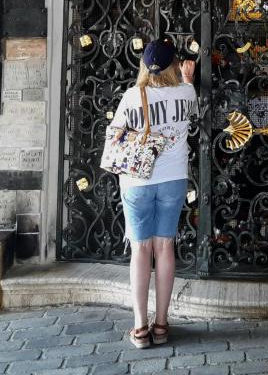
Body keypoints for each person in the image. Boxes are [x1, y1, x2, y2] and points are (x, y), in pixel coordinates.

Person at [110, 38, 197, 349]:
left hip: (136, 181)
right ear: (174, 65)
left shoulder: (133, 95)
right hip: (173, 179)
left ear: (145, 67)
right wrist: (188, 77)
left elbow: (116, 136)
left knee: (140, 250)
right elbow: (191, 107)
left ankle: (140, 327)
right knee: (165, 248)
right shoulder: (187, 92)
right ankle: (161, 323)